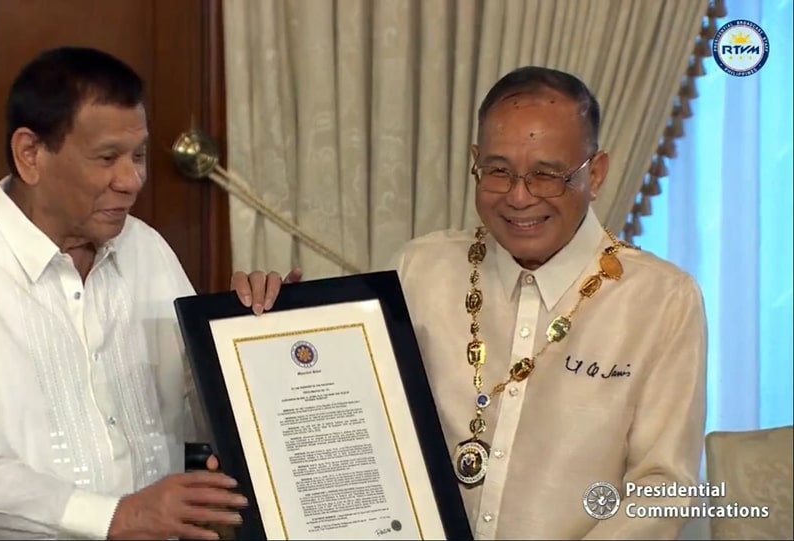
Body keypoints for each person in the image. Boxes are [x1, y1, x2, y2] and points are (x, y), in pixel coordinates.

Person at [232, 66, 708, 540]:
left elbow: (663, 485)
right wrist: (264, 322)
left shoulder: (661, 300)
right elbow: (347, 415)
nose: (519, 197)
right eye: (498, 171)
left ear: (595, 173)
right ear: (476, 161)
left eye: (546, 175)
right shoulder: (421, 268)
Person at [0, 46, 247, 540]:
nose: (132, 180)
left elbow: (198, 410)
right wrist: (119, 517)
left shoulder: (147, 250)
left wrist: (256, 338)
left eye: (138, 155)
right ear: (31, 154)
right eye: (107, 158)